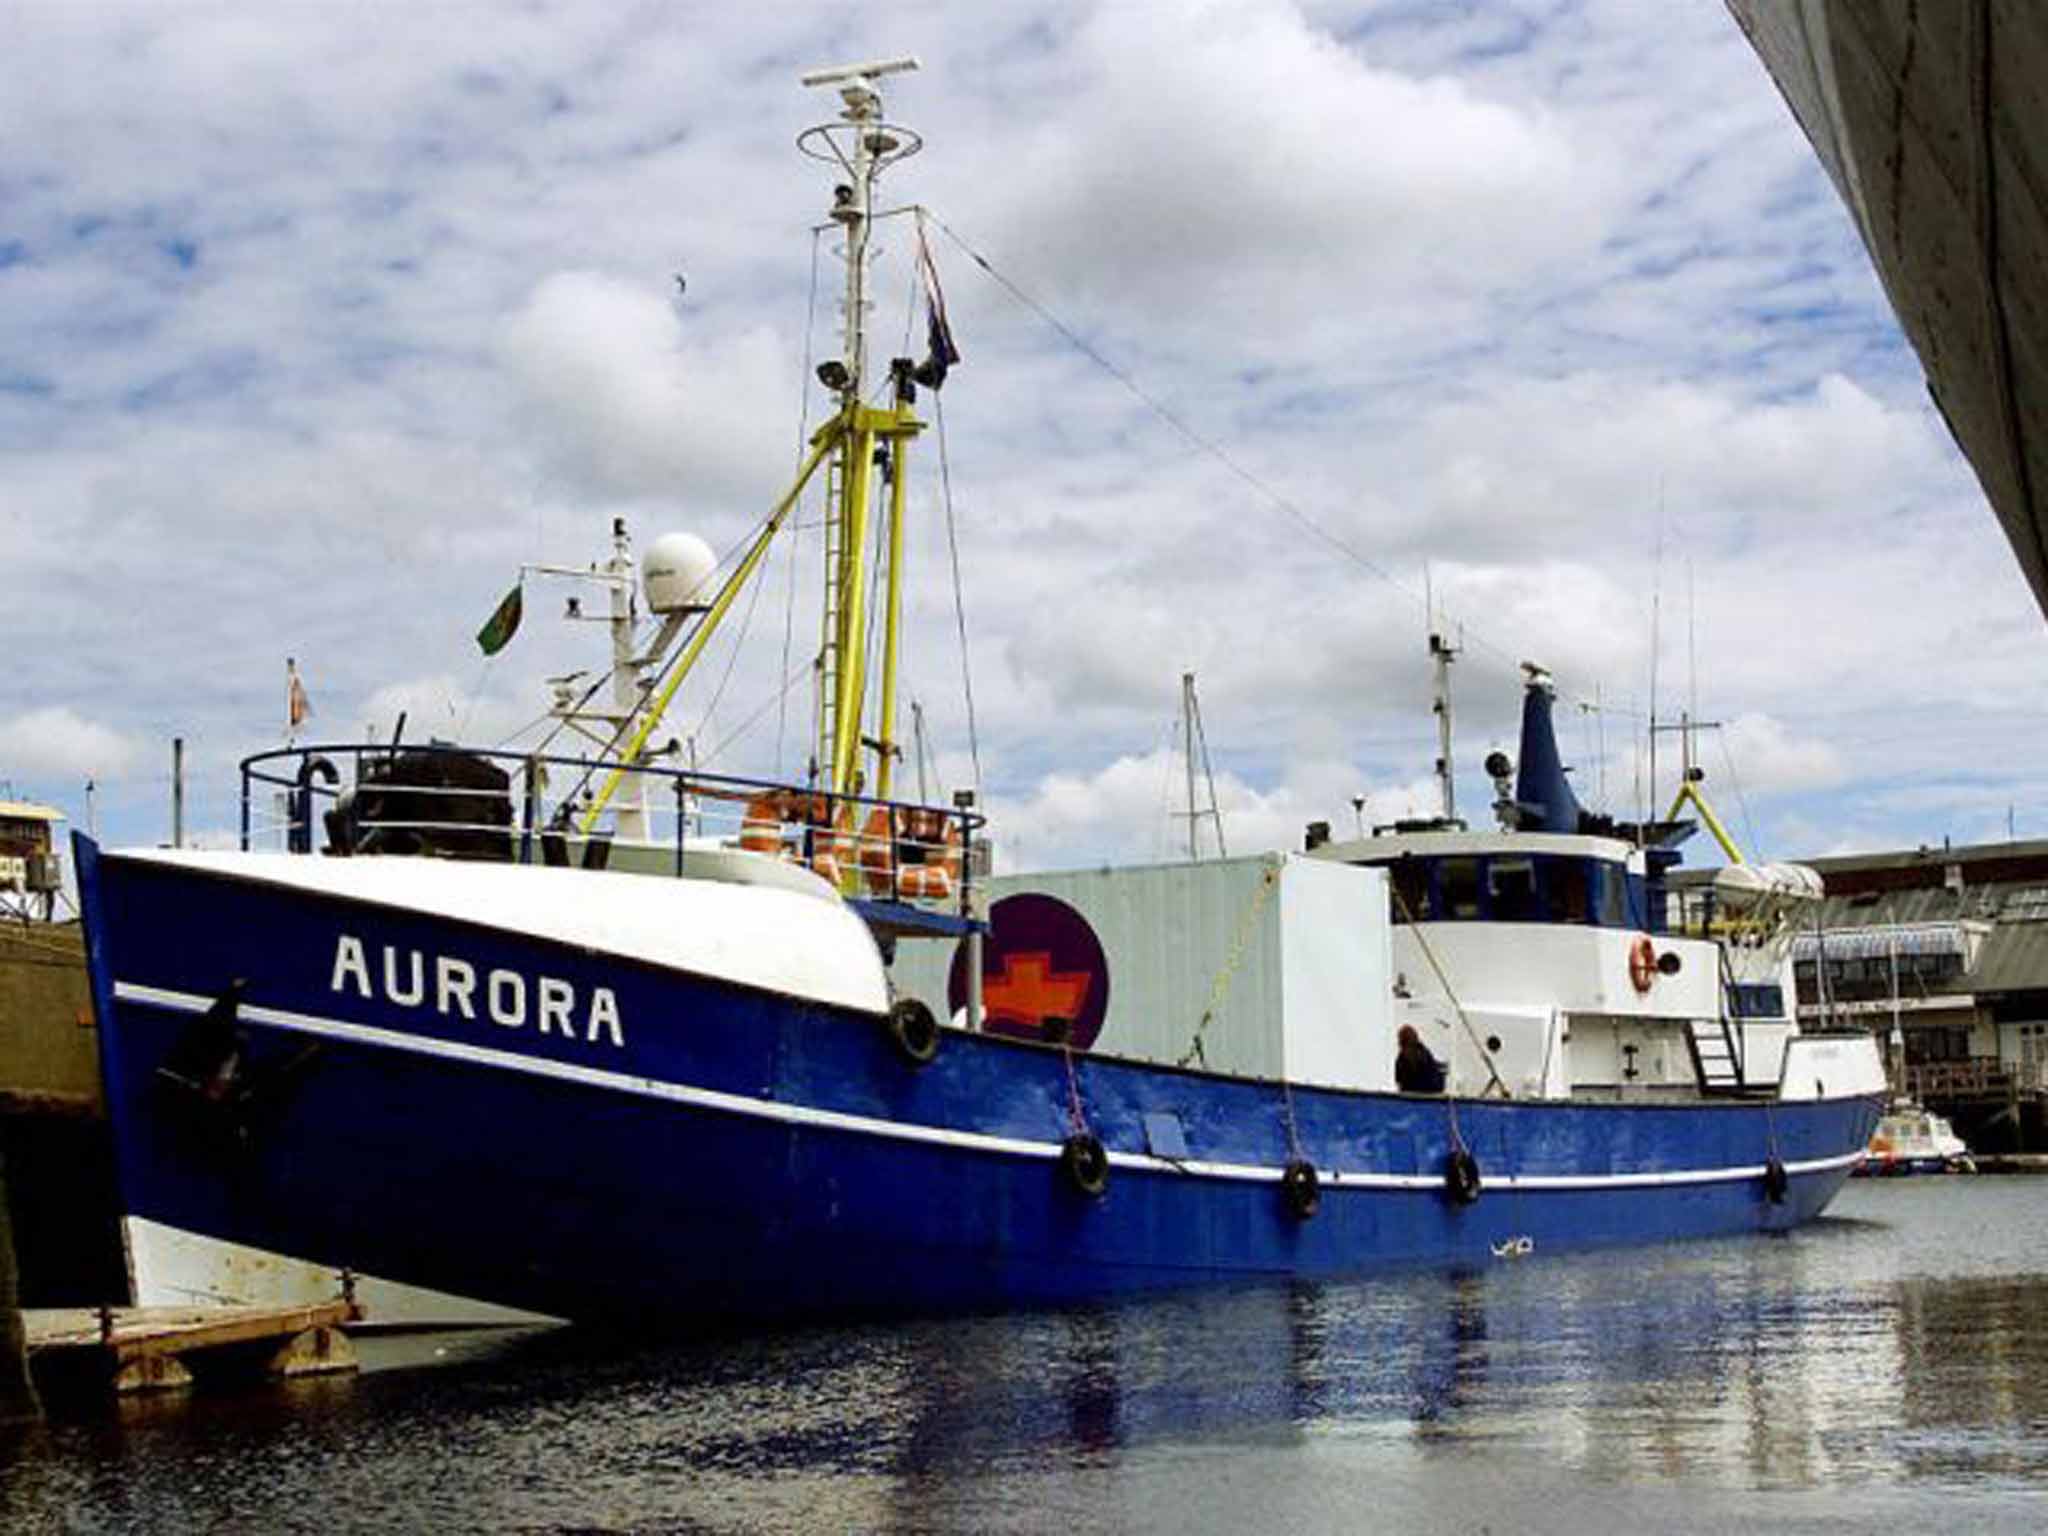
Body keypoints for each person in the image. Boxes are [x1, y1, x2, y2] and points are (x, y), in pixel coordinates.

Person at [1395, 1024, 1445, 1094]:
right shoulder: (1424, 1052)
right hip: (1428, 1094)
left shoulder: (1402, 1058)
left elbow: (1399, 1080)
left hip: (1413, 1094)